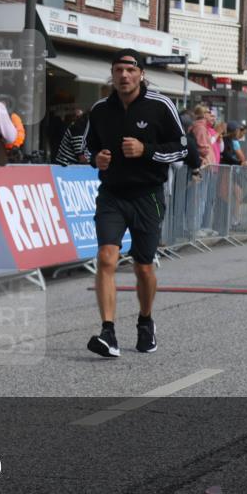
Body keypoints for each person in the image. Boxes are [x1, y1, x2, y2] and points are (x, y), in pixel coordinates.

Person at [85, 49, 187, 358]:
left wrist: (146, 150)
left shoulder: (160, 105)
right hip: (112, 195)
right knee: (106, 258)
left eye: (130, 70)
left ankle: (145, 321)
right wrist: (95, 158)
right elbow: (87, 148)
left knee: (143, 266)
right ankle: (108, 332)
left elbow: (182, 149)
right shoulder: (100, 109)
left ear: (140, 73)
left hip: (148, 196)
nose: (124, 75)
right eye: (118, 70)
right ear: (112, 74)